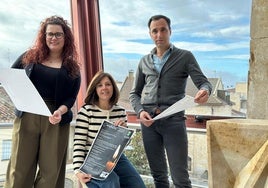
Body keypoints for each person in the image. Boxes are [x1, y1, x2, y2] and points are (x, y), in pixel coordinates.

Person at [129, 15, 212, 188]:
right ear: (150, 34)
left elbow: (204, 82)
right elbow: (134, 94)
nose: (159, 34)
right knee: (159, 176)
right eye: (155, 31)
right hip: (149, 124)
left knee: (180, 178)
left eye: (163, 29)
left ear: (170, 31)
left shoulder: (185, 57)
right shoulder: (143, 61)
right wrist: (139, 111)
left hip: (174, 123)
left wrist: (205, 90)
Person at [4, 15, 81, 188]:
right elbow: (11, 77)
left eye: (58, 34)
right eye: (50, 34)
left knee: (51, 171)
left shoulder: (72, 67)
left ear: (65, 37)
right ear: (44, 36)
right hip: (27, 116)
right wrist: (18, 98)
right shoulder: (29, 56)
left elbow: (71, 97)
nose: (53, 38)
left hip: (55, 119)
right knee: (19, 166)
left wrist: (60, 112)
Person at [73, 71, 146, 188]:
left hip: (115, 158)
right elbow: (79, 144)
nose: (104, 88)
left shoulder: (120, 111)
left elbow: (125, 145)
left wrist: (124, 133)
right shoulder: (86, 111)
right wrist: (77, 171)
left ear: (113, 87)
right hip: (92, 160)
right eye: (100, 85)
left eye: (108, 84)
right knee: (112, 183)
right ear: (95, 89)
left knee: (137, 185)